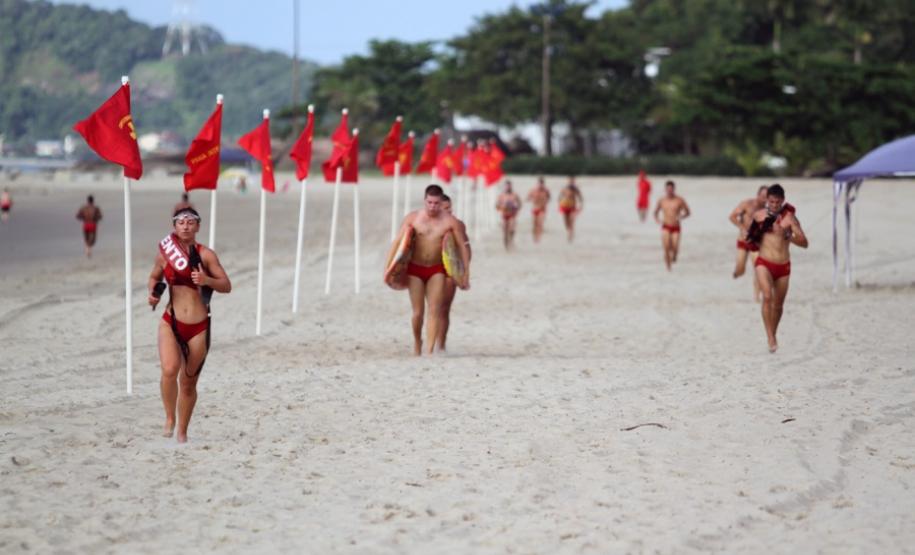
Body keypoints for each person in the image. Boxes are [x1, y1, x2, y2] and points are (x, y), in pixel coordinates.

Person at [147, 207, 231, 442]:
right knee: (169, 369)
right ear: (175, 226)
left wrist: (207, 280)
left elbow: (226, 285)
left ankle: (182, 431)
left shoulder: (206, 255)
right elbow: (154, 276)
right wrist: (153, 293)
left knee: (188, 382)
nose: (185, 226)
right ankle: (169, 417)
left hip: (199, 327)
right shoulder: (165, 253)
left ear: (198, 227)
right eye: (181, 222)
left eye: (190, 222)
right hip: (171, 322)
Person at [387, 185, 471, 356]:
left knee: (435, 309)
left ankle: (431, 351)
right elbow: (397, 242)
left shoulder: (450, 222)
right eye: (429, 202)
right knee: (418, 312)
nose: (432, 206)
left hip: (437, 269)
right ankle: (418, 343)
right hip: (415, 269)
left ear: (441, 203)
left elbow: (462, 248)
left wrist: (465, 273)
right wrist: (388, 267)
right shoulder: (413, 218)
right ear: (425, 200)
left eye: (436, 203)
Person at [746, 184, 807, 353]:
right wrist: (756, 234)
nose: (774, 205)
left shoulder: (790, 219)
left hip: (783, 266)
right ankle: (770, 337)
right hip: (764, 263)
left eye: (777, 202)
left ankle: (774, 332)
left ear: (782, 201)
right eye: (771, 201)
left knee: (778, 305)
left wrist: (789, 236)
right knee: (767, 296)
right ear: (767, 200)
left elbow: (805, 243)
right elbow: (750, 238)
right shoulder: (758, 216)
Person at [437, 194, 471, 352]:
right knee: (432, 308)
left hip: (451, 271)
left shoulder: (458, 225)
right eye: (445, 208)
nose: (449, 211)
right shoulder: (429, 224)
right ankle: (431, 341)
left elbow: (467, 249)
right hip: (432, 269)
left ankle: (441, 345)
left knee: (444, 308)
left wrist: (464, 273)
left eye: (450, 207)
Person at [729, 185, 769, 300]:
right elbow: (732, 216)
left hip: (756, 242)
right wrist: (742, 228)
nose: (764, 200)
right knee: (740, 268)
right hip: (743, 239)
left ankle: (757, 297)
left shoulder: (767, 211)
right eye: (763, 196)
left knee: (758, 269)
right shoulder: (747, 204)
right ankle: (738, 272)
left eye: (767, 197)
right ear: (758, 195)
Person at [653, 180, 690, 271]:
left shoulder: (679, 200)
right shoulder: (662, 200)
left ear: (674, 189)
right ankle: (668, 268)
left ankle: (674, 255)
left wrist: (681, 216)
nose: (669, 191)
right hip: (666, 226)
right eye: (668, 189)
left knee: (675, 246)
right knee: (666, 247)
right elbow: (655, 212)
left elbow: (688, 212)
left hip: (676, 226)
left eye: (671, 189)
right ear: (665, 189)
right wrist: (657, 220)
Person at [496, 180, 522, 250]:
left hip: (512, 214)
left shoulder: (515, 195)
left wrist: (516, 207)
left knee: (511, 228)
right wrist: (502, 207)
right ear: (505, 187)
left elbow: (520, 203)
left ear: (511, 186)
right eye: (507, 186)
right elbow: (497, 206)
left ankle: (511, 240)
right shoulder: (501, 195)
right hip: (504, 214)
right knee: (504, 232)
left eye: (509, 186)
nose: (508, 187)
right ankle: (506, 246)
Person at [557, 176, 583, 242]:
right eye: (570, 181)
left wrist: (580, 207)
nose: (571, 183)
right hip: (565, 207)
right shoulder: (564, 189)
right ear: (568, 181)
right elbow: (559, 197)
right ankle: (569, 232)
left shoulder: (576, 189)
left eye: (573, 181)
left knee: (572, 221)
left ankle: (570, 235)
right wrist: (559, 204)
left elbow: (580, 198)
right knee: (566, 223)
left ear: (574, 182)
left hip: (573, 207)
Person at [527, 177, 551, 243]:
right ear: (537, 184)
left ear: (544, 184)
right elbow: (528, 197)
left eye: (542, 184)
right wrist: (530, 199)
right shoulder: (533, 190)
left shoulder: (546, 191)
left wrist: (545, 202)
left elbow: (549, 197)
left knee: (540, 223)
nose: (541, 185)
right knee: (535, 224)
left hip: (542, 209)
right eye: (540, 184)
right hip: (535, 208)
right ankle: (534, 237)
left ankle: (538, 238)